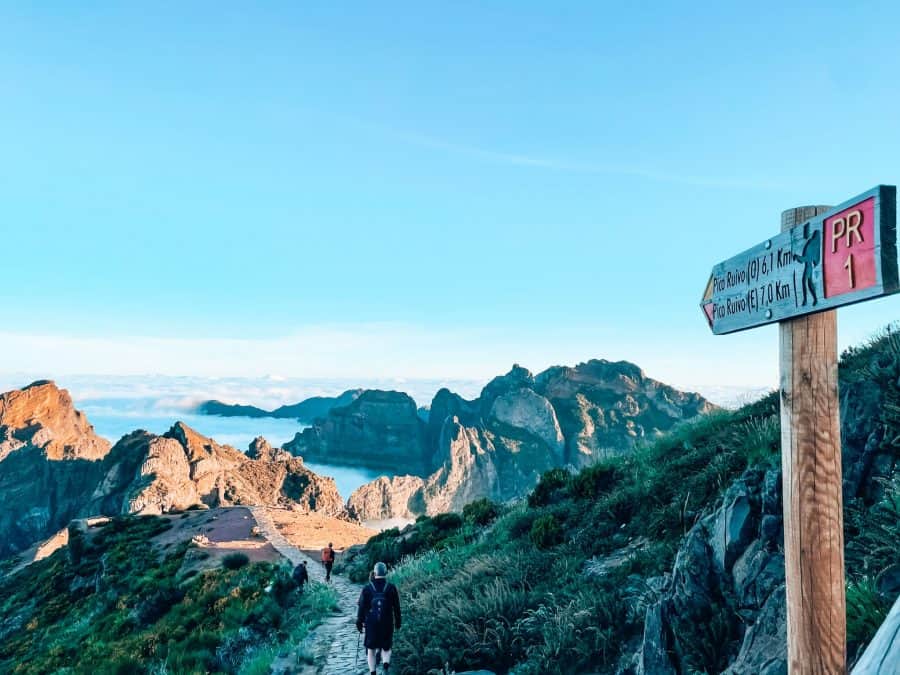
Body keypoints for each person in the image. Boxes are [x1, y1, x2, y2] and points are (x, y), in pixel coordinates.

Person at [356, 562, 401, 675]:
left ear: (374, 572)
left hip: (371, 623)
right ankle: (385, 664)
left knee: (371, 649)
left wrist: (359, 622)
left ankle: (373, 672)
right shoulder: (391, 587)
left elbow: (361, 607)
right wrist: (398, 622)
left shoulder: (367, 588)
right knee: (386, 647)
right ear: (385, 572)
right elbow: (396, 607)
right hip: (387, 622)